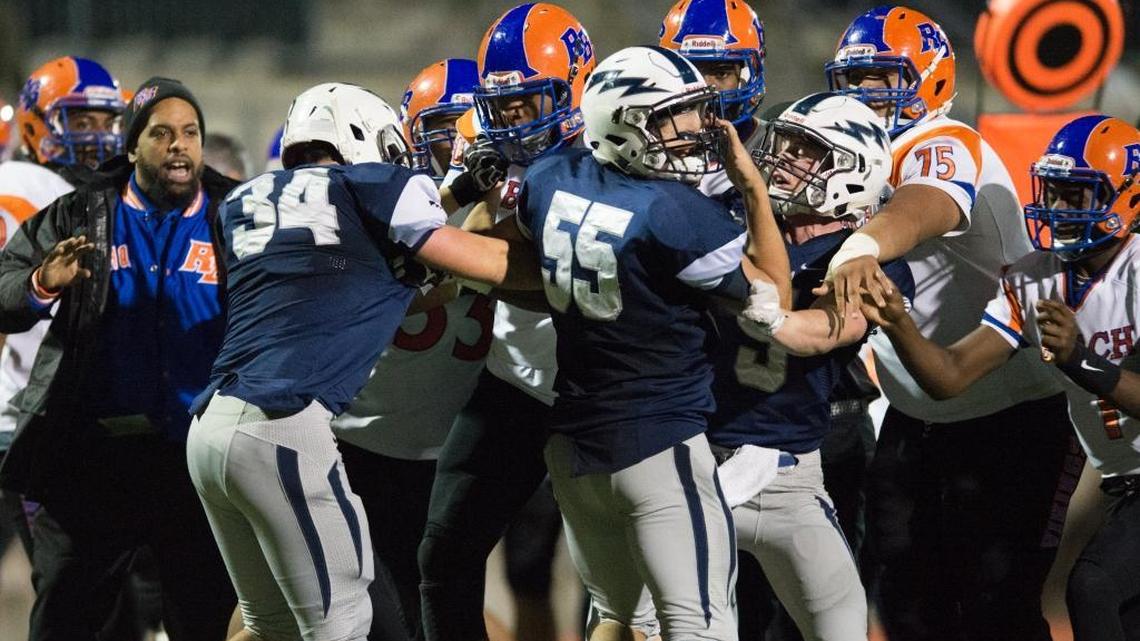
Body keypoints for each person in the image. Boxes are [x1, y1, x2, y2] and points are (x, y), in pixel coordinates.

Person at [185, 81, 541, 641]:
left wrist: (454, 195)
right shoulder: (377, 184)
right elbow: (476, 262)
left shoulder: (243, 200)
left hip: (210, 430)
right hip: (284, 426)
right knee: (345, 624)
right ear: (361, 139)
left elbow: (349, 255)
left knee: (269, 626)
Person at [518, 44, 790, 641]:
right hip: (657, 445)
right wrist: (752, 188)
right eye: (673, 116)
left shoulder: (549, 176)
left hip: (574, 446)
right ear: (621, 124)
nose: (693, 128)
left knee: (618, 620)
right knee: (701, 626)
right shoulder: (675, 211)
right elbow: (773, 299)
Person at [822, 7, 1078, 639]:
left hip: (1011, 416)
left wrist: (861, 247)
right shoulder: (855, 149)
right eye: (855, 78)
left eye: (884, 77)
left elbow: (924, 206)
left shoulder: (943, 142)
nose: (866, 92)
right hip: (916, 412)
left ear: (931, 80)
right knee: (905, 602)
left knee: (996, 607)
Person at [858, 113, 1140, 641]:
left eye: (1078, 195)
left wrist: (1079, 359)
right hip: (1123, 480)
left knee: (1090, 587)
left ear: (1130, 196)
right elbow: (950, 375)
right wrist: (897, 322)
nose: (1059, 208)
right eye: (1054, 192)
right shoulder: (1035, 278)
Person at [0, 75, 238, 641]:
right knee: (65, 620)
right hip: (93, 457)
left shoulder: (236, 214)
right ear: (131, 147)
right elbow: (4, 286)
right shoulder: (79, 214)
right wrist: (40, 282)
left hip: (196, 459)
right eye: (161, 133)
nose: (178, 145)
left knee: (203, 620)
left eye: (190, 133)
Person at [417, 5, 596, 640]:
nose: (515, 119)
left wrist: (472, 261)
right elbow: (457, 239)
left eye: (528, 102)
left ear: (575, 87)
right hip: (515, 383)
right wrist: (467, 194)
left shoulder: (609, 154)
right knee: (444, 558)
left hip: (599, 393)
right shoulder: (493, 149)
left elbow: (549, 277)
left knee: (621, 584)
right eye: (503, 105)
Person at [708, 93, 905, 641]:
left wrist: (754, 301)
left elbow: (819, 333)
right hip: (700, 455)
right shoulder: (731, 220)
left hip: (791, 470)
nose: (784, 157)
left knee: (839, 626)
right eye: (786, 143)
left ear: (853, 170)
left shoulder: (861, 260)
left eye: (805, 150)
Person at [331, 57, 490, 641]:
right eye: (444, 128)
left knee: (449, 609)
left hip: (459, 448)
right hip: (362, 439)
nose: (459, 144)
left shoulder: (518, 200)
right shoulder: (380, 197)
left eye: (470, 126)